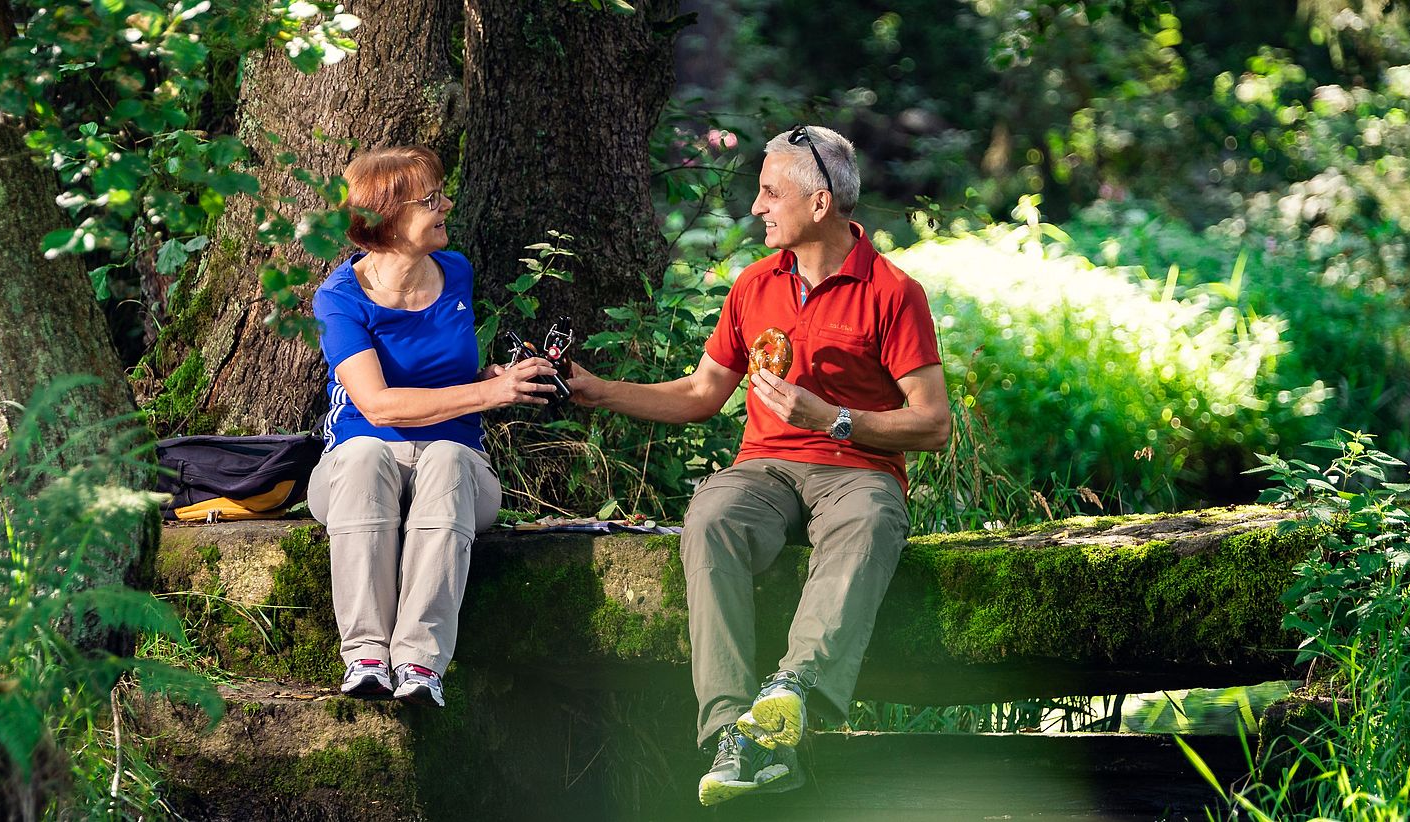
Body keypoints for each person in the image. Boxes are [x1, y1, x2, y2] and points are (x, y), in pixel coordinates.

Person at [567, 126, 951, 805]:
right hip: (766, 469)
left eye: (771, 192)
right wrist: (596, 389)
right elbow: (699, 394)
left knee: (869, 522)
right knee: (712, 512)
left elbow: (932, 423)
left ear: (821, 203)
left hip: (858, 471)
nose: (756, 207)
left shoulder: (893, 292)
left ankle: (790, 694)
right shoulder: (754, 285)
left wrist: (832, 417)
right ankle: (731, 728)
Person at [307, 146, 559, 707]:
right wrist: (488, 392)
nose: (447, 203)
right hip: (359, 474)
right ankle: (367, 656)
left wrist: (496, 375)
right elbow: (378, 406)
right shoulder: (338, 300)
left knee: (446, 456)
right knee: (368, 453)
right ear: (388, 222)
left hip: (457, 469)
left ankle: (420, 666)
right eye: (431, 199)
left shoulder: (457, 272)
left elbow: (449, 375)